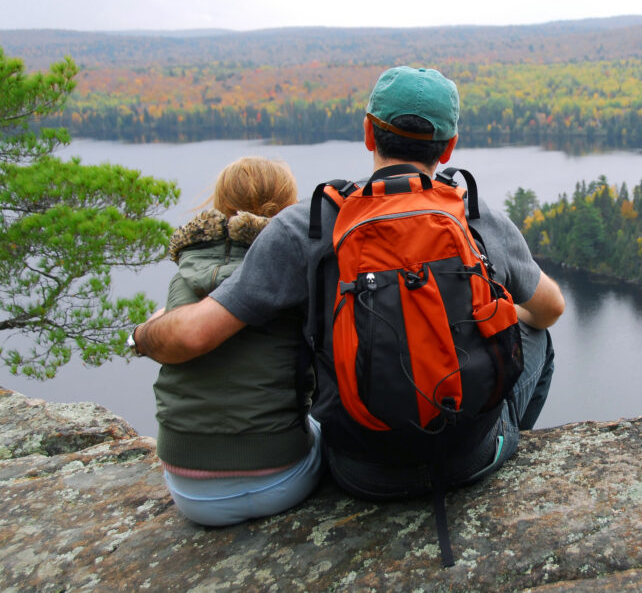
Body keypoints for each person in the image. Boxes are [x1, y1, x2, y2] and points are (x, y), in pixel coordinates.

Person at [131, 66, 564, 503]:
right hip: (471, 459)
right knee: (537, 338)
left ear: (368, 134)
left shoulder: (310, 224)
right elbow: (550, 308)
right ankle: (479, 446)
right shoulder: (471, 214)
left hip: (361, 472)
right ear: (449, 148)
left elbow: (193, 335)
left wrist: (141, 334)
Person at [148, 156, 322, 526]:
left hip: (191, 494)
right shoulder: (293, 269)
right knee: (325, 429)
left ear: (219, 203)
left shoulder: (184, 275)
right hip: (283, 480)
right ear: (287, 205)